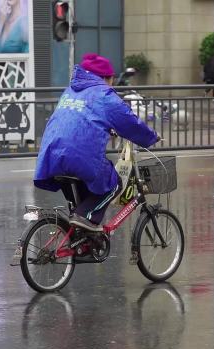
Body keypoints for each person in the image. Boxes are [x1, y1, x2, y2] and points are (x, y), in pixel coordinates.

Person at [34, 53, 160, 232]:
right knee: (113, 182)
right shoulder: (104, 94)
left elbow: (80, 119)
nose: (112, 84)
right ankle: (85, 218)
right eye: (112, 79)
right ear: (105, 78)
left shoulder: (70, 90)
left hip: (51, 155)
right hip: (77, 157)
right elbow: (129, 122)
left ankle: (81, 240)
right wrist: (151, 137)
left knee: (83, 198)